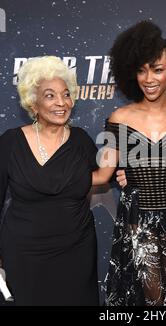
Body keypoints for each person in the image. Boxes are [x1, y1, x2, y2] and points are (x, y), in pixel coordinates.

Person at [92, 21, 166, 306]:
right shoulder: (118, 119)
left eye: (156, 69)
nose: (149, 78)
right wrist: (48, 176)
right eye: (141, 70)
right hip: (137, 219)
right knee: (150, 297)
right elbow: (102, 173)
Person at [0, 56, 99, 305]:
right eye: (50, 95)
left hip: (76, 254)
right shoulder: (10, 142)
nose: (61, 103)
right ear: (33, 104)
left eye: (65, 94)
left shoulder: (81, 141)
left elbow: (101, 176)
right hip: (24, 256)